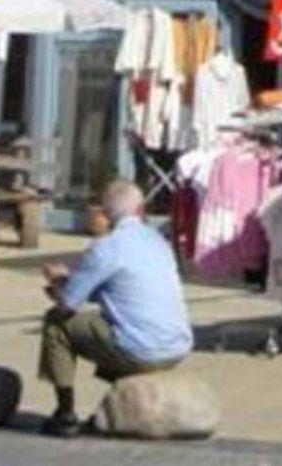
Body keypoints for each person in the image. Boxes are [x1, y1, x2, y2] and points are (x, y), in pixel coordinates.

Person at [37, 180, 193, 436]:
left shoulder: (105, 248)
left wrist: (58, 281)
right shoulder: (159, 243)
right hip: (177, 345)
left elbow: (67, 303)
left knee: (56, 323)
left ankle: (64, 413)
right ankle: (119, 404)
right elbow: (122, 293)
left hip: (140, 348)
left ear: (104, 214)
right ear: (141, 210)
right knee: (113, 322)